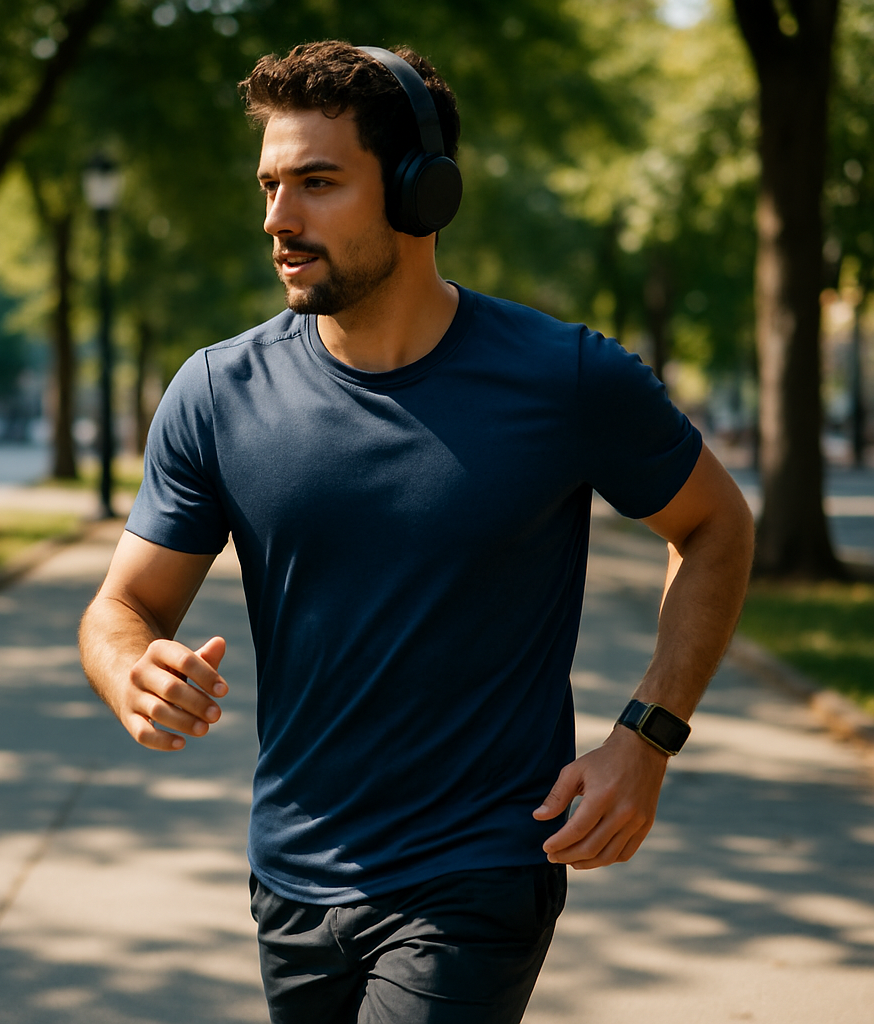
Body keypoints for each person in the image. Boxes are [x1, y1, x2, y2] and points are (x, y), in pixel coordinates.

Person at [79, 40, 755, 1024]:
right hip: (293, 871)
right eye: (270, 185)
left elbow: (715, 526)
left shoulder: (565, 379)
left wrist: (646, 736)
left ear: (418, 191)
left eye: (316, 182)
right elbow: (123, 606)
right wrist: (129, 667)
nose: (278, 219)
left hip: (478, 865)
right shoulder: (217, 394)